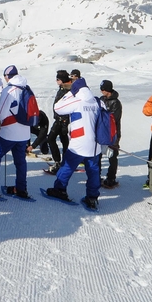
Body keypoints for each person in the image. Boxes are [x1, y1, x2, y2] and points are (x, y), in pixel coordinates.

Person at [46, 78, 102, 209]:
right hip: (95, 144)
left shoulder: (77, 101)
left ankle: (60, 189)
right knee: (93, 171)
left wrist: (70, 93)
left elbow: (57, 108)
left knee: (67, 166)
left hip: (79, 143)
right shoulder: (96, 101)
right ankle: (92, 197)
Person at [0, 65, 34, 199]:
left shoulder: (9, 90)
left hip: (9, 132)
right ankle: (21, 188)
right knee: (20, 161)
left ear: (8, 76)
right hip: (24, 132)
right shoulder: (27, 89)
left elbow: (2, 111)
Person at [44, 70, 71, 175]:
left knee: (52, 138)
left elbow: (67, 107)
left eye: (58, 79)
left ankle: (60, 162)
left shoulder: (68, 90)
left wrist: (65, 123)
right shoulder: (62, 88)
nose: (56, 81)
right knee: (62, 140)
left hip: (63, 120)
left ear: (62, 80)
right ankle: (61, 162)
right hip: (58, 119)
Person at [98, 80, 122, 188]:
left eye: (103, 89)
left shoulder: (116, 103)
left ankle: (111, 177)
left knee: (112, 155)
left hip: (113, 133)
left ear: (107, 90)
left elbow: (113, 118)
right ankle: (96, 176)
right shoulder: (101, 99)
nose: (101, 91)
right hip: (101, 131)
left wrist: (103, 114)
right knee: (97, 154)